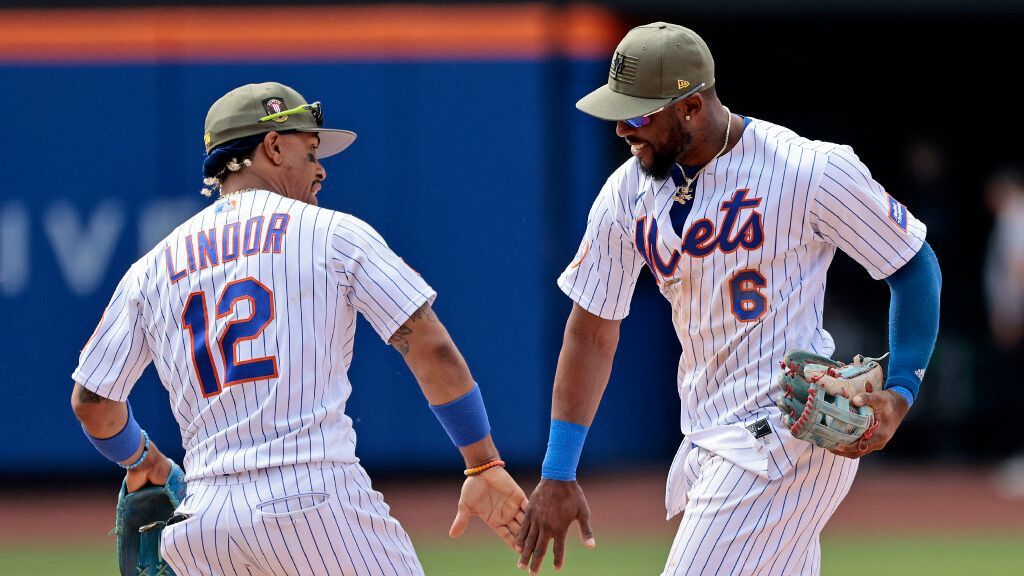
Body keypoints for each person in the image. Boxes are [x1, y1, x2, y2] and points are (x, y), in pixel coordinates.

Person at [515, 23, 941, 575]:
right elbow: (591, 328)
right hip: (707, 439)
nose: (622, 128)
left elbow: (912, 263)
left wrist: (903, 390)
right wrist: (558, 469)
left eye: (639, 114)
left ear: (691, 107)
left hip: (784, 433)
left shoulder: (807, 169)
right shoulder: (627, 194)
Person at [70, 81, 528, 575]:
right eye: (309, 151)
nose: (320, 167)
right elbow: (429, 346)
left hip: (202, 526)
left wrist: (141, 459)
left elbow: (92, 401)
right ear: (272, 146)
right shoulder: (333, 233)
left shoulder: (151, 268)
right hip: (316, 503)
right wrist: (483, 461)